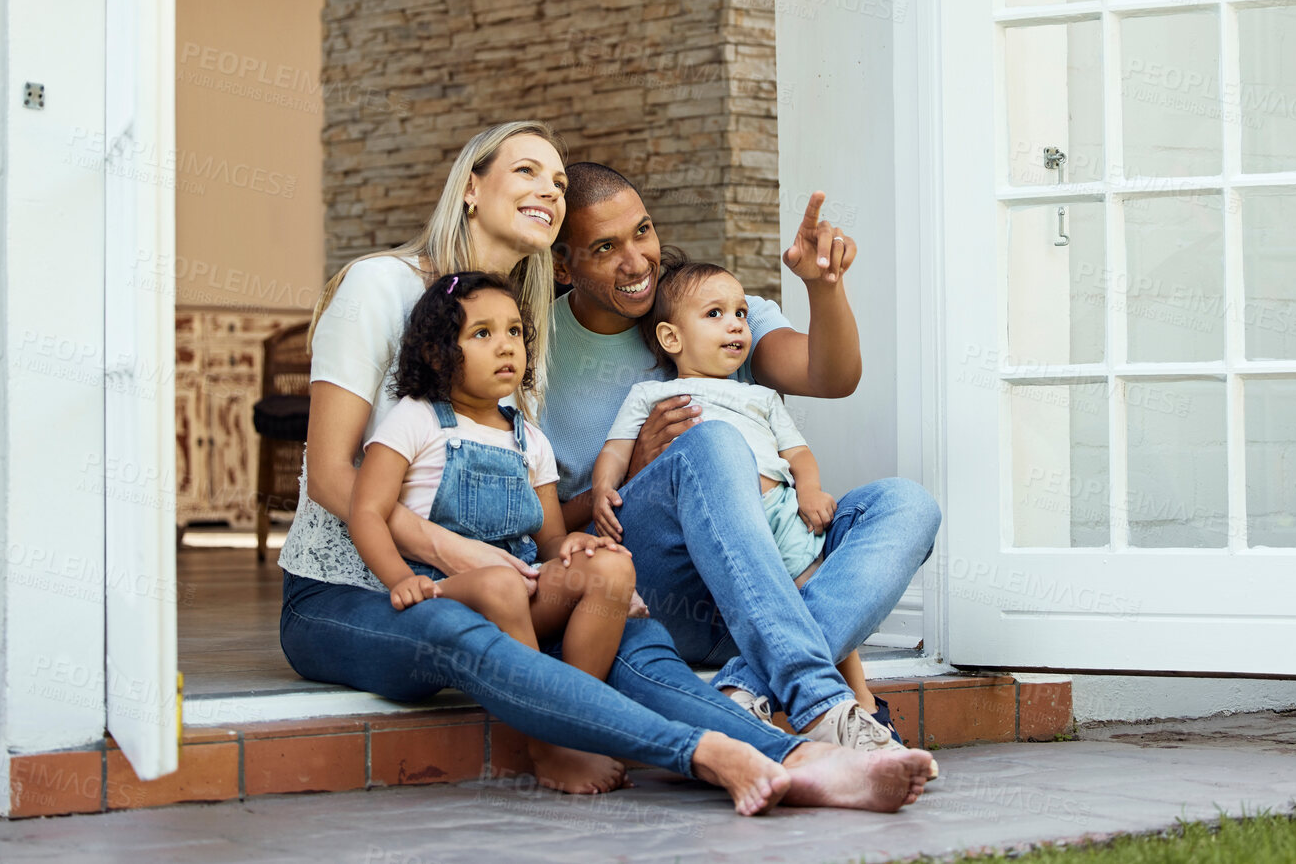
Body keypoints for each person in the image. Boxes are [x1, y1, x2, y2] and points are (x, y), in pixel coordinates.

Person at [278, 120, 935, 814]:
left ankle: (800, 756)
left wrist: (571, 549)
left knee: (635, 634)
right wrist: (458, 553)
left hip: (512, 582)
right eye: (526, 171)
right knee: (458, 629)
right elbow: (328, 476)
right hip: (355, 590)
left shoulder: (518, 327)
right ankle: (712, 752)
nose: (547, 189)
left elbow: (531, 511)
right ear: (470, 186)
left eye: (556, 180)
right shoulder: (379, 286)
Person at [546, 162, 943, 752]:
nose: (636, 261)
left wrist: (823, 286)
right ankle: (820, 697)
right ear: (562, 265)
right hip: (658, 594)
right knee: (711, 443)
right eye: (605, 247)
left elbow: (831, 377)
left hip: (766, 591)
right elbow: (537, 524)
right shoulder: (530, 347)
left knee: (907, 504)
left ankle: (750, 683)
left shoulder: (715, 308)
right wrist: (637, 473)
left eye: (643, 231)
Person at [590, 253, 877, 713]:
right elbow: (616, 450)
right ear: (671, 337)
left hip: (781, 513)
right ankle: (785, 688)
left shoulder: (761, 396)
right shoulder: (650, 394)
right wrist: (605, 488)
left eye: (741, 313)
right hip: (709, 520)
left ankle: (857, 693)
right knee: (716, 450)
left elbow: (797, 453)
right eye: (715, 314)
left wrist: (809, 490)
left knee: (814, 593)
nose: (736, 326)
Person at [351, 271, 636, 683]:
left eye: (515, 331)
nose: (506, 345)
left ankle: (580, 705)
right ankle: (547, 726)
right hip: (443, 596)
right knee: (501, 585)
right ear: (438, 353)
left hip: (522, 595)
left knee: (611, 568)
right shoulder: (416, 419)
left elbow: (550, 542)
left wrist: (573, 544)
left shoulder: (531, 441)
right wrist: (400, 580)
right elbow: (366, 511)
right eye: (482, 334)